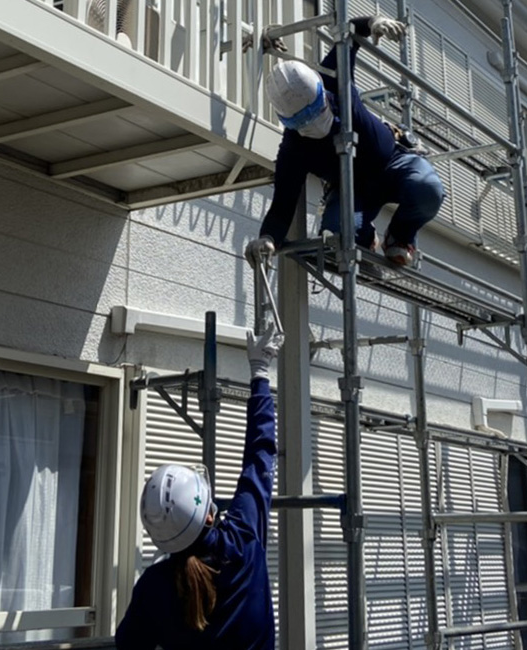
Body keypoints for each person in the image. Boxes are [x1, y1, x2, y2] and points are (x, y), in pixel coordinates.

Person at [116, 331, 285, 650]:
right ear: (209, 512)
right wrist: (260, 371)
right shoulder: (244, 541)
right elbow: (260, 455)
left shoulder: (154, 588)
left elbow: (128, 645)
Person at [249, 15, 445, 268]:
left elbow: (349, 34)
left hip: (393, 162)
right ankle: (365, 236)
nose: (310, 123)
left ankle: (400, 236)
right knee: (338, 240)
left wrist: (373, 22)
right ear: (285, 120)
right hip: (351, 187)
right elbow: (282, 205)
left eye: (311, 112)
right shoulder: (293, 148)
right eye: (299, 121)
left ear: (321, 92)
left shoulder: (332, 78)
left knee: (427, 189)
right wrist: (267, 238)